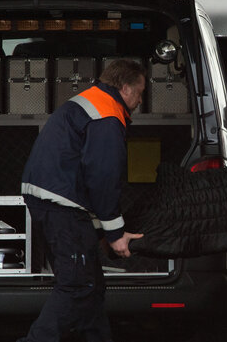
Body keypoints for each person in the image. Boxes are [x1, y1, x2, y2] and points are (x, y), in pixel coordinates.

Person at [18, 59, 147, 342]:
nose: (140, 100)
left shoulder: (92, 101)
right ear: (125, 88)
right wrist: (114, 234)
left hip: (50, 199)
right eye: (139, 92)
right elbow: (102, 178)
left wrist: (99, 231)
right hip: (61, 204)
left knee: (91, 284)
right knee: (77, 284)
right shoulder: (107, 115)